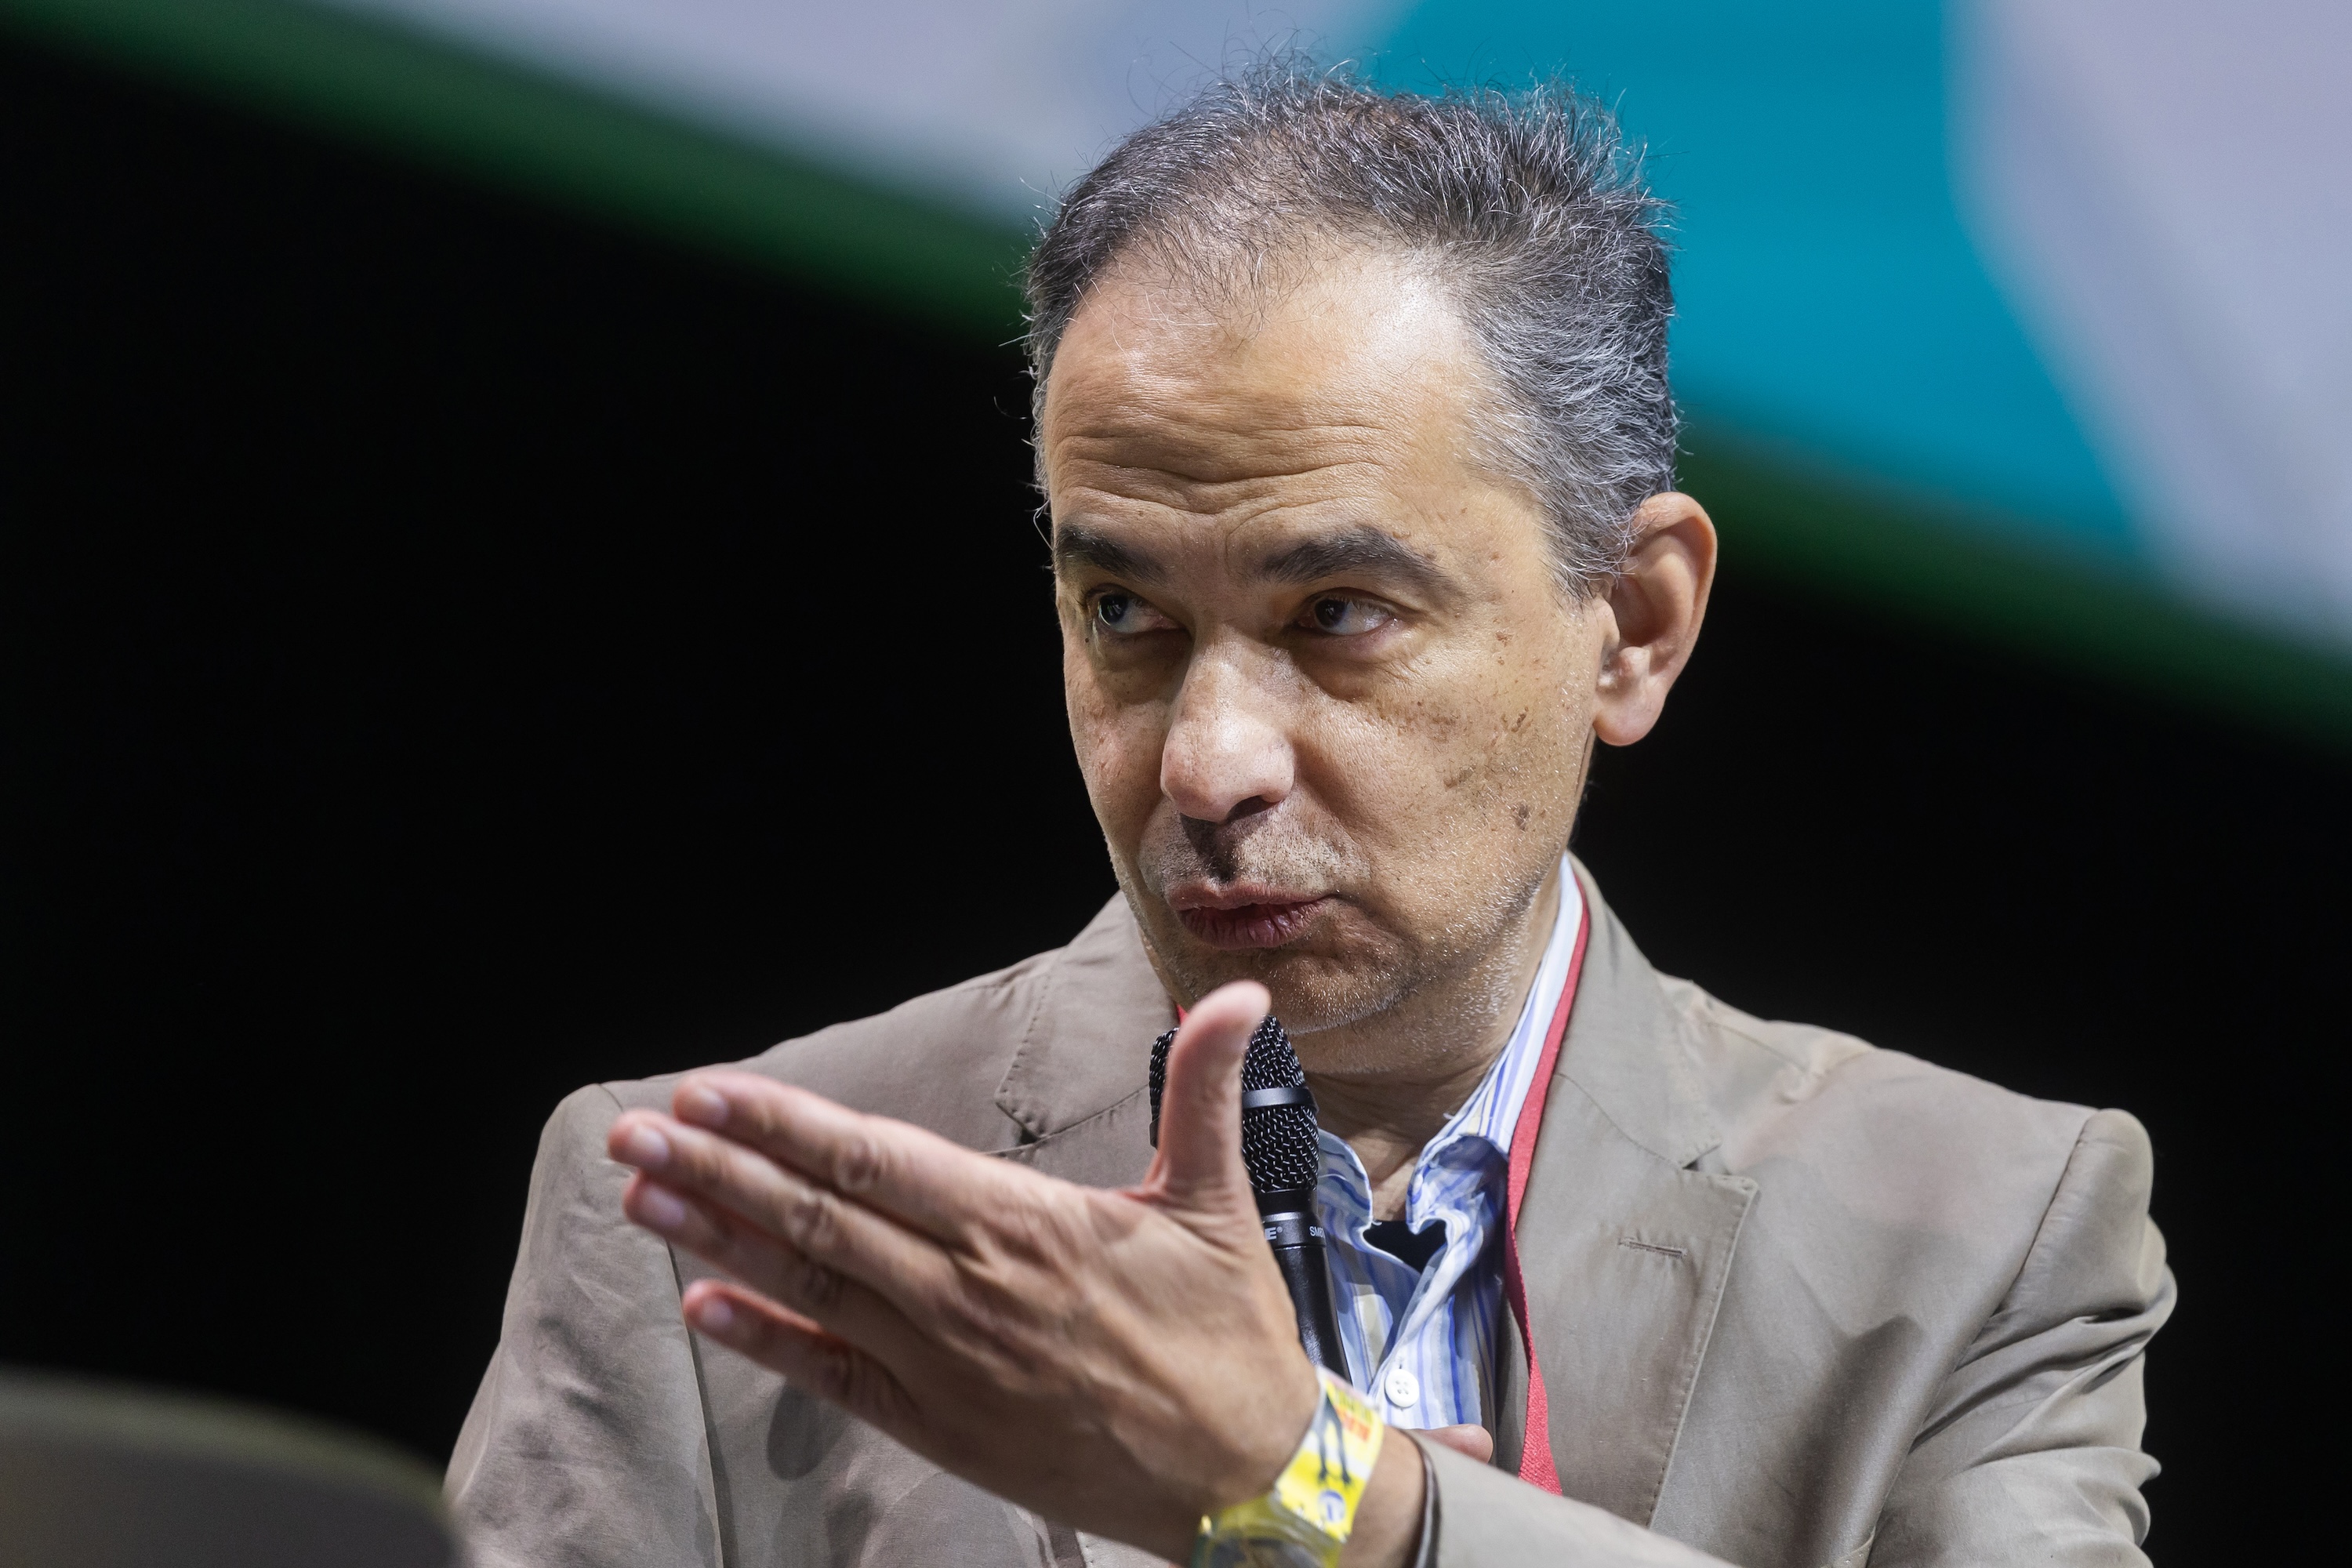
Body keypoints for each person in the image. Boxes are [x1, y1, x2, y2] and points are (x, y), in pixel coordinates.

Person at [448, 67, 2172, 1568]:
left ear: (1634, 624)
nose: (1209, 765)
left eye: (1338, 613)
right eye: (1125, 614)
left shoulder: (1976, 1233)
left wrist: (1324, 1496)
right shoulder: (705, 1227)